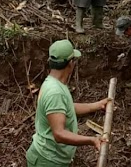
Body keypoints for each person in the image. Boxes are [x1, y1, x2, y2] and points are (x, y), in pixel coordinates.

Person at [26, 39, 107, 167]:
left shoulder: (54, 83)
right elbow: (59, 134)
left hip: (50, 158)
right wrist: (91, 140)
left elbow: (66, 108)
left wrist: (96, 105)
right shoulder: (55, 92)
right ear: (70, 64)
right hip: (47, 161)